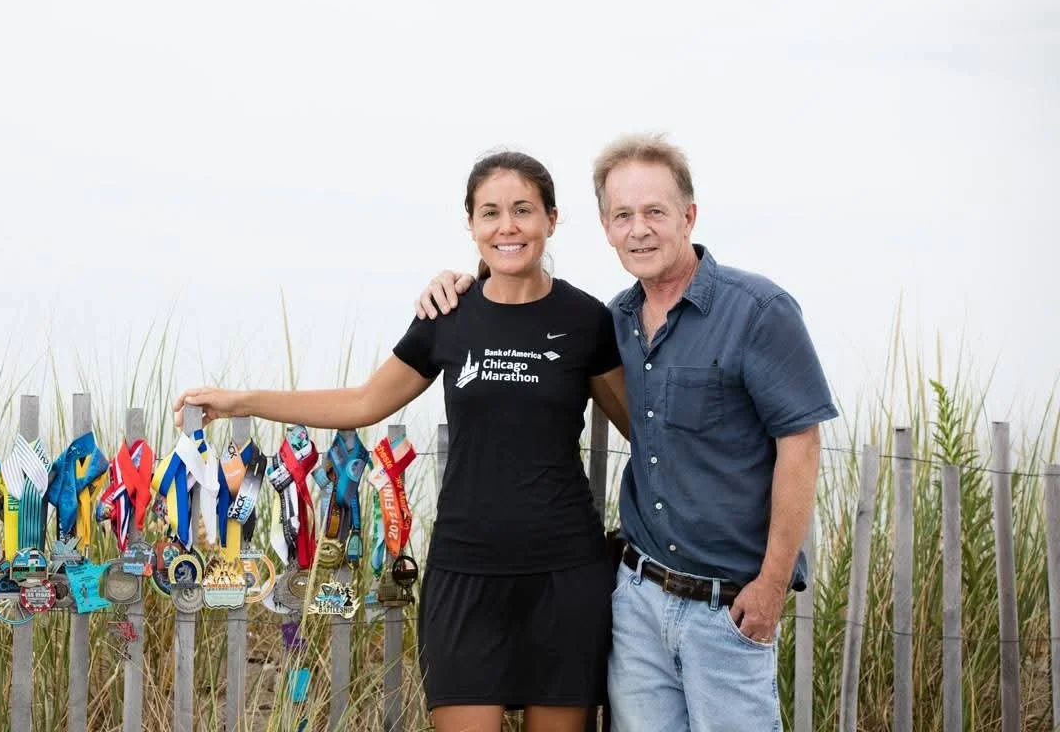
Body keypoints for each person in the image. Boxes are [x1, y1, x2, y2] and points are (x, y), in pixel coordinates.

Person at [173, 151, 629, 732]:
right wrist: (243, 401)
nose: (507, 227)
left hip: (564, 574)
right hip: (466, 572)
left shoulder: (587, 320)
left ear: (552, 220)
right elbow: (364, 403)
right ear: (470, 224)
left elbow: (645, 432)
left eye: (523, 210)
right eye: (490, 212)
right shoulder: (447, 314)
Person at [415, 134, 838, 731]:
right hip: (637, 600)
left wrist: (771, 586)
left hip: (727, 608)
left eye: (655, 212)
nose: (639, 229)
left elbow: (802, 445)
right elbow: (521, 327)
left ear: (688, 216)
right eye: (622, 216)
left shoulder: (758, 312)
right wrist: (464, 282)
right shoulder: (612, 323)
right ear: (606, 228)